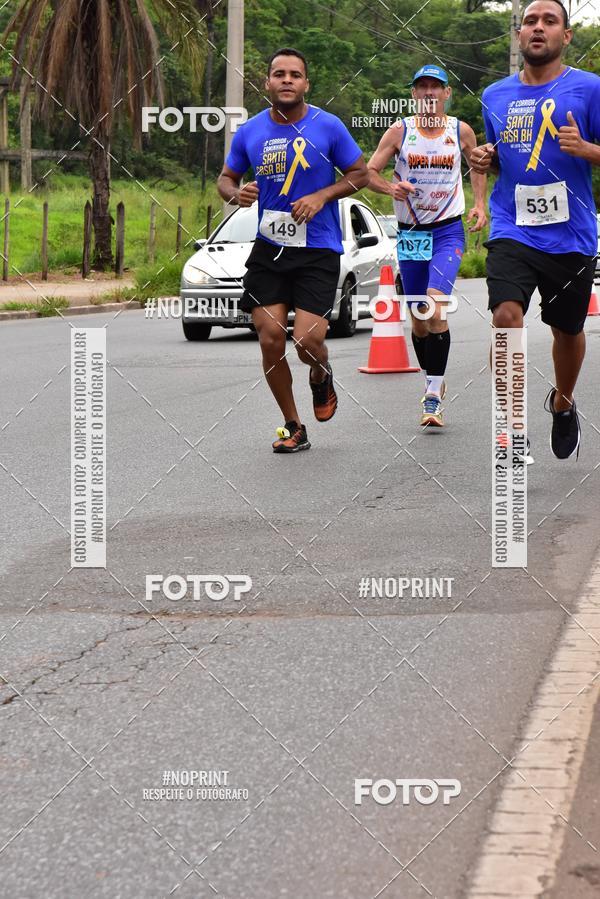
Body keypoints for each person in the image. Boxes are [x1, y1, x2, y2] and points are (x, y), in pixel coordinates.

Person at [217, 47, 368, 453]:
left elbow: (360, 174)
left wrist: (322, 195)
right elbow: (226, 178)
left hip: (317, 249)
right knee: (269, 339)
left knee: (306, 341)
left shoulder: (328, 126)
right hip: (270, 249)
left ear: (306, 84)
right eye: (278, 74)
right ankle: (292, 425)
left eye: (295, 75)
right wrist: (237, 193)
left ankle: (320, 375)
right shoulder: (250, 131)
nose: (286, 80)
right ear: (267, 82)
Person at [471, 0, 600, 459]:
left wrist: (587, 149)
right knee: (506, 315)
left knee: (567, 330)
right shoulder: (495, 95)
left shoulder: (589, 89)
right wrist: (484, 159)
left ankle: (563, 403)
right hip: (513, 227)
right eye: (530, 21)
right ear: (519, 35)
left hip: (571, 233)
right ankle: (510, 425)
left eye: (550, 21)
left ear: (566, 36)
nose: (538, 28)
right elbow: (494, 154)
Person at [367, 64, 487, 428]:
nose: (429, 94)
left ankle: (433, 393)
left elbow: (478, 163)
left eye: (436, 87)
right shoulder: (399, 131)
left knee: (436, 305)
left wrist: (479, 203)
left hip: (447, 230)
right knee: (420, 318)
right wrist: (390, 188)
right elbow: (368, 172)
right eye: (422, 88)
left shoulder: (459, 130)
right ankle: (431, 381)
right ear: (414, 94)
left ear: (447, 94)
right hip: (412, 233)